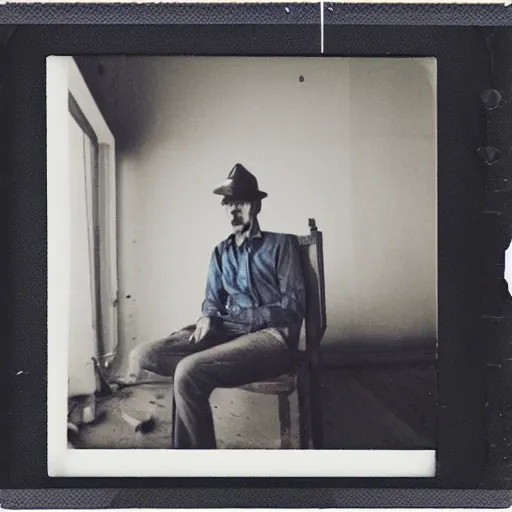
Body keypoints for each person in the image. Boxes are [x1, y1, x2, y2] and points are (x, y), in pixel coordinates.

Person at [122, 163, 306, 449]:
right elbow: (212, 299)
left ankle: (203, 468)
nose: (234, 210)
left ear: (255, 206)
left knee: (188, 371)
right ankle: (189, 464)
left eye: (241, 202)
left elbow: (294, 306)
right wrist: (207, 315)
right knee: (144, 354)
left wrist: (246, 318)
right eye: (228, 203)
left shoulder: (282, 245)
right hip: (228, 333)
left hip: (273, 339)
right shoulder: (221, 252)